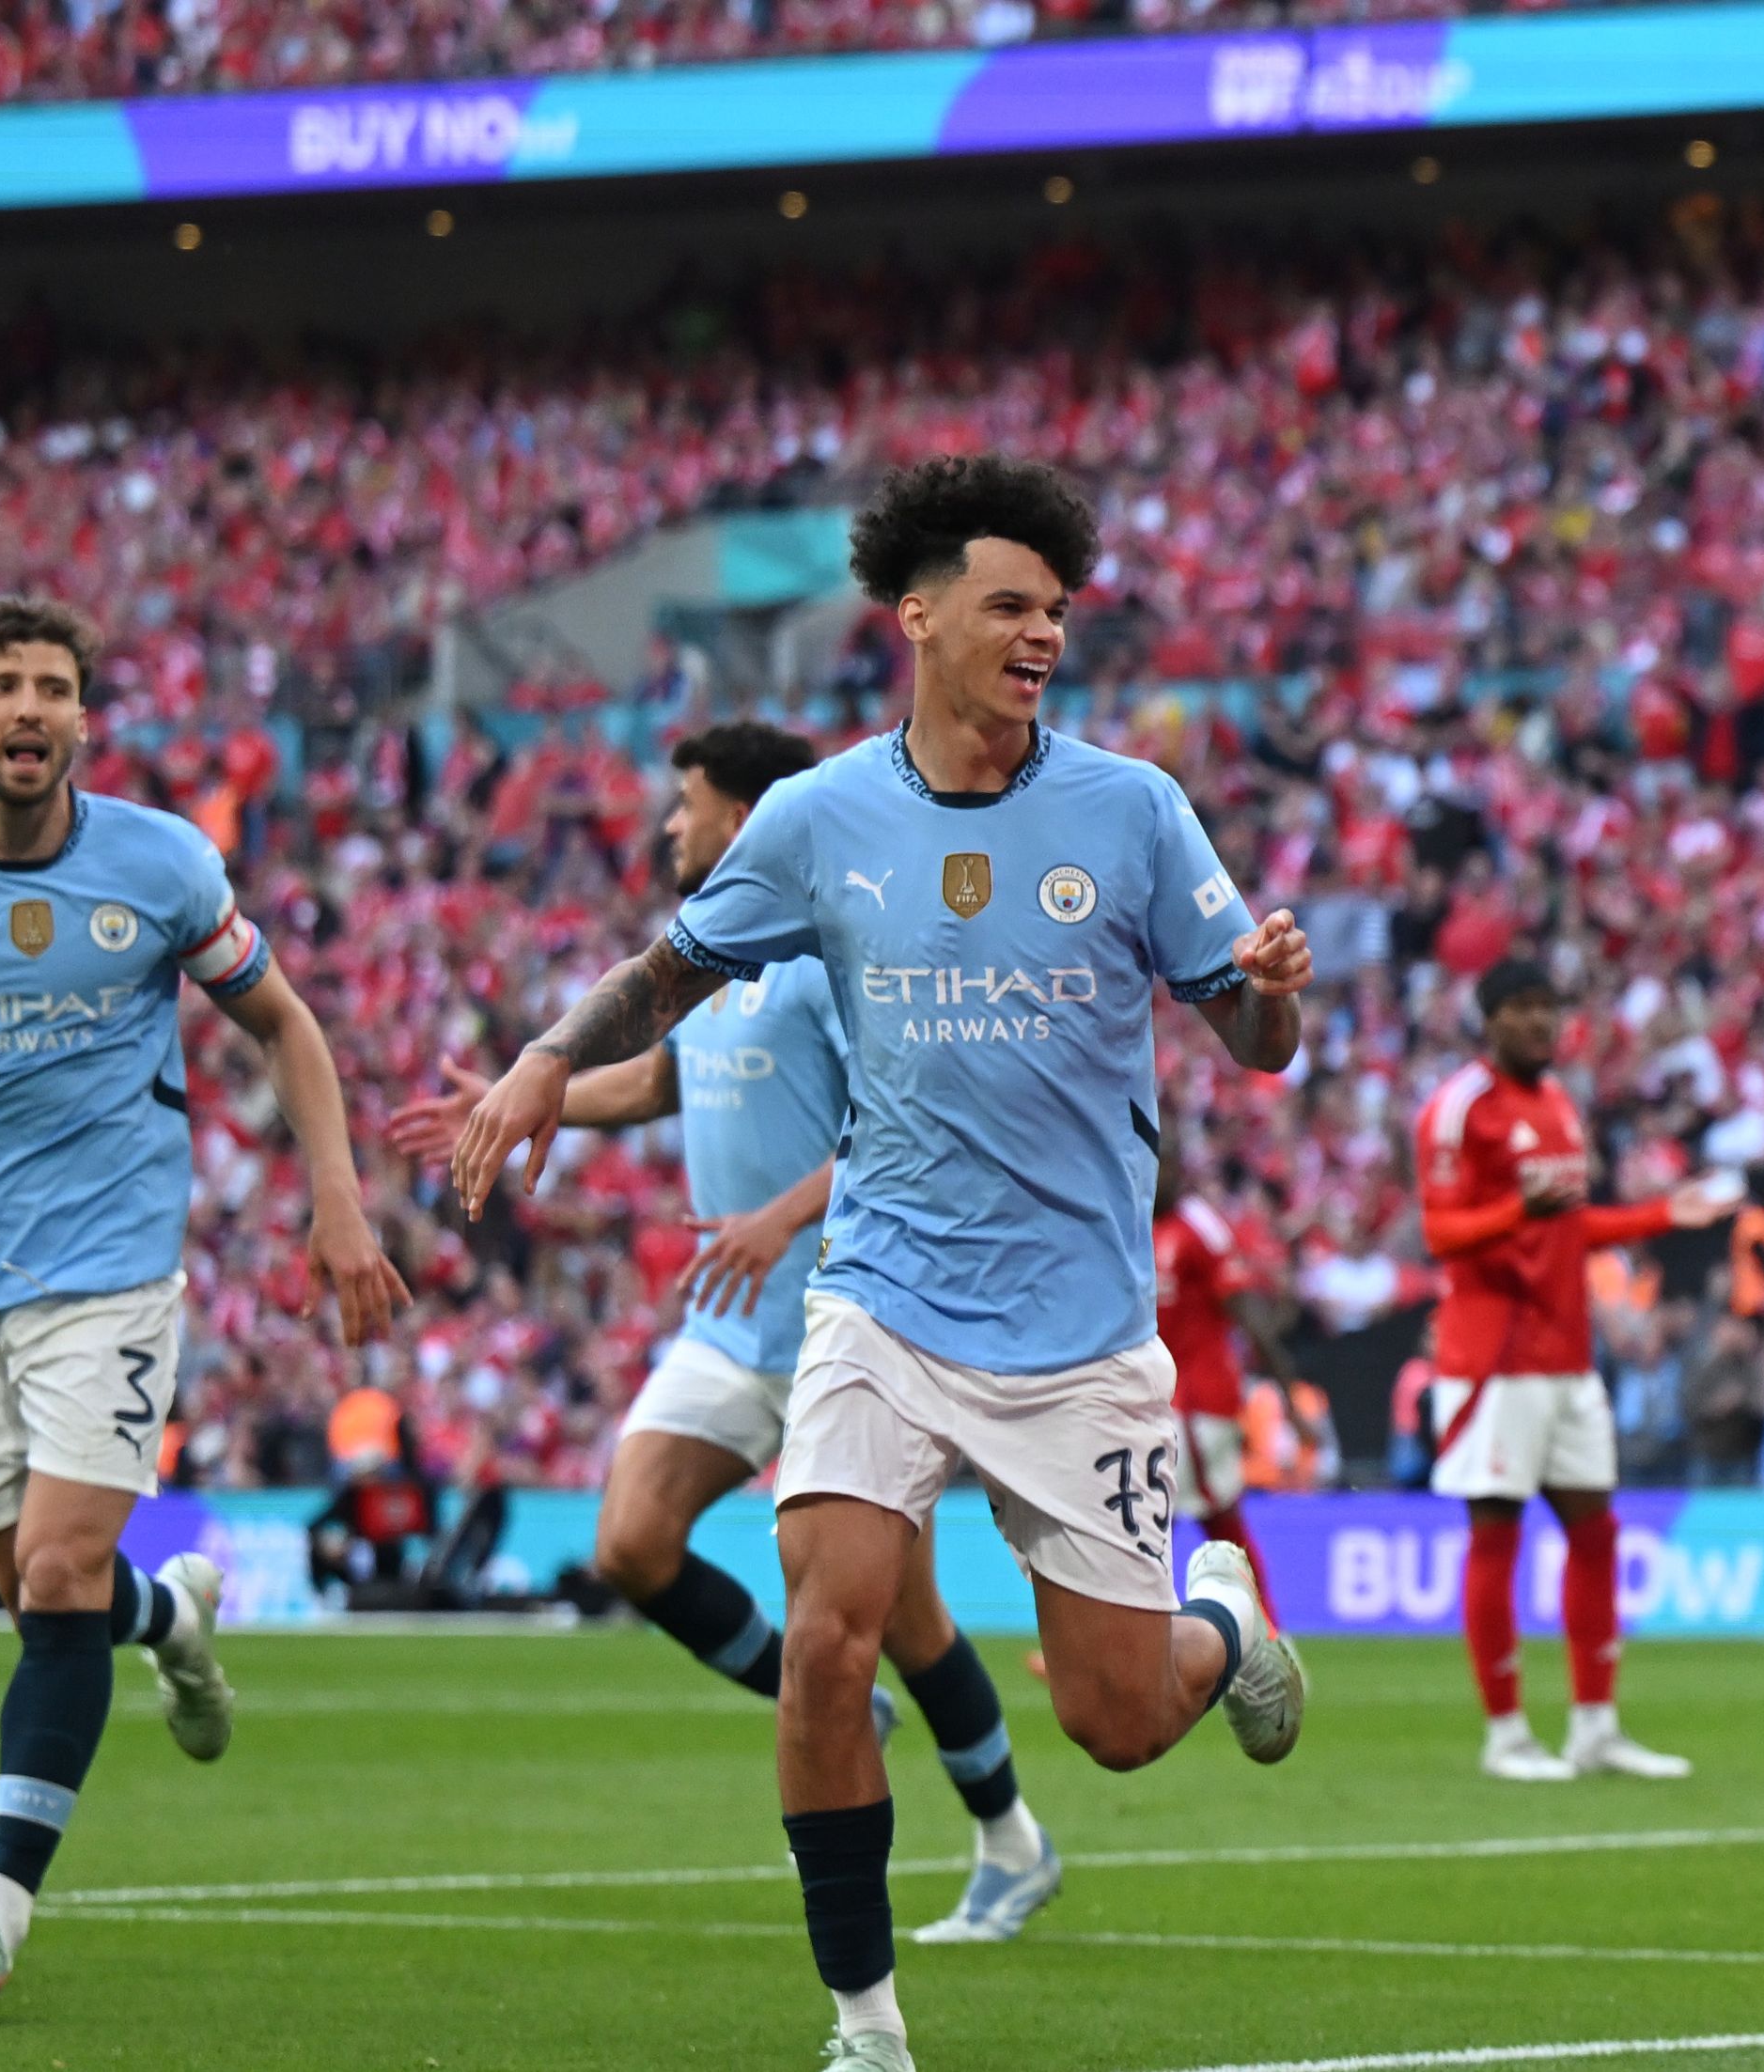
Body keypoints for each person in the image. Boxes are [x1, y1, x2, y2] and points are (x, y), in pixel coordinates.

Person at [447, 456, 1312, 2072]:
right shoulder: (819, 815)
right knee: (829, 1637)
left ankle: (1220, 1622)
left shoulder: (1132, 810)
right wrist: (541, 1063)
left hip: (1078, 1331)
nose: (1042, 630)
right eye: (1010, 603)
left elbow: (1251, 1039)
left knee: (1120, 1724)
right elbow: (667, 975)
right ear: (916, 618)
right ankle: (866, 2027)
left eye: (1057, 608)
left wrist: (1273, 993)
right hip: (883, 1303)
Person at [0, 597, 412, 2019]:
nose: (27, 709)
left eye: (52, 687)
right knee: (46, 1605)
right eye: (1, 685)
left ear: (82, 719)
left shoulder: (163, 861)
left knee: (53, 1582)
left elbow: (283, 1021)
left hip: (112, 1272)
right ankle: (171, 1616)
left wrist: (338, 1197)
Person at [384, 721, 1062, 1943]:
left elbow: (898, 1117)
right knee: (632, 1542)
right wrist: (513, 1096)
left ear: (746, 818)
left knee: (902, 1613)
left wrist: (775, 1217)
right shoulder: (704, 964)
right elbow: (656, 1083)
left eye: (687, 804)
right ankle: (829, 1702)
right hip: (733, 1318)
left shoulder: (834, 955)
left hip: (850, 1316)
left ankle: (1011, 1842)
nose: (668, 827)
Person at [1415, 958, 1732, 1783]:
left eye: (1548, 1009)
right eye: (1521, 1008)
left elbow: (1569, 1226)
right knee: (1497, 1532)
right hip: (1492, 1357)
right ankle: (1506, 1734)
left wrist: (1663, 1213)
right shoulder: (1459, 1110)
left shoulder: (1559, 1102)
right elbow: (1441, 1231)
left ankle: (1595, 1725)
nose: (1539, 1024)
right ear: (1488, 1019)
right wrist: (1522, 1209)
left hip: (1566, 1352)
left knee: (1596, 1530)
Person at [1155, 1140, 1303, 1622]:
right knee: (1189, 1519)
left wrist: (1290, 1397)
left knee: (1163, 1521)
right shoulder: (1139, 1223)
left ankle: (1266, 1632)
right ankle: (1266, 1632)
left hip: (1199, 1401)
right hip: (1161, 1398)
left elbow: (1246, 1313)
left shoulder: (1199, 1228)